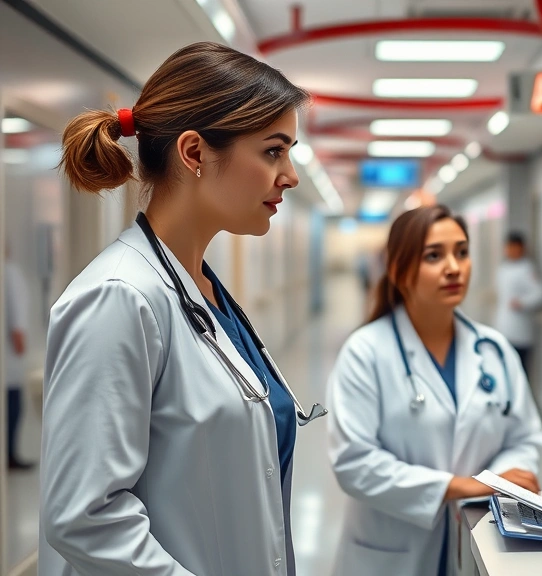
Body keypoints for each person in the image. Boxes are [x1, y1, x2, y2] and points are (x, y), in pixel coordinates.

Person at [40, 42, 325, 575]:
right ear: (194, 153)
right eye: (272, 151)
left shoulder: (202, 290)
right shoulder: (118, 299)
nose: (290, 175)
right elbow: (84, 516)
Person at [326, 205, 542, 576]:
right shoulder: (365, 352)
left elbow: (525, 439)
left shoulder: (493, 349)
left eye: (462, 252)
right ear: (398, 270)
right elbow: (354, 461)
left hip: (481, 538)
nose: (454, 267)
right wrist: (460, 486)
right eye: (434, 255)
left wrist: (497, 479)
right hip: (392, 551)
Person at [494, 231, 542, 373]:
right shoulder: (503, 268)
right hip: (504, 326)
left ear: (522, 248)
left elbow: (540, 294)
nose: (510, 250)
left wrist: (522, 303)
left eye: (514, 247)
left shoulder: (527, 268)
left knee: (520, 370)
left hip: (521, 330)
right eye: (508, 247)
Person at [3, 244, 32, 470]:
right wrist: (20, 340)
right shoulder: (10, 272)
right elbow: (16, 313)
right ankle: (9, 455)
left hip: (8, 356)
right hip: (10, 355)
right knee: (12, 405)